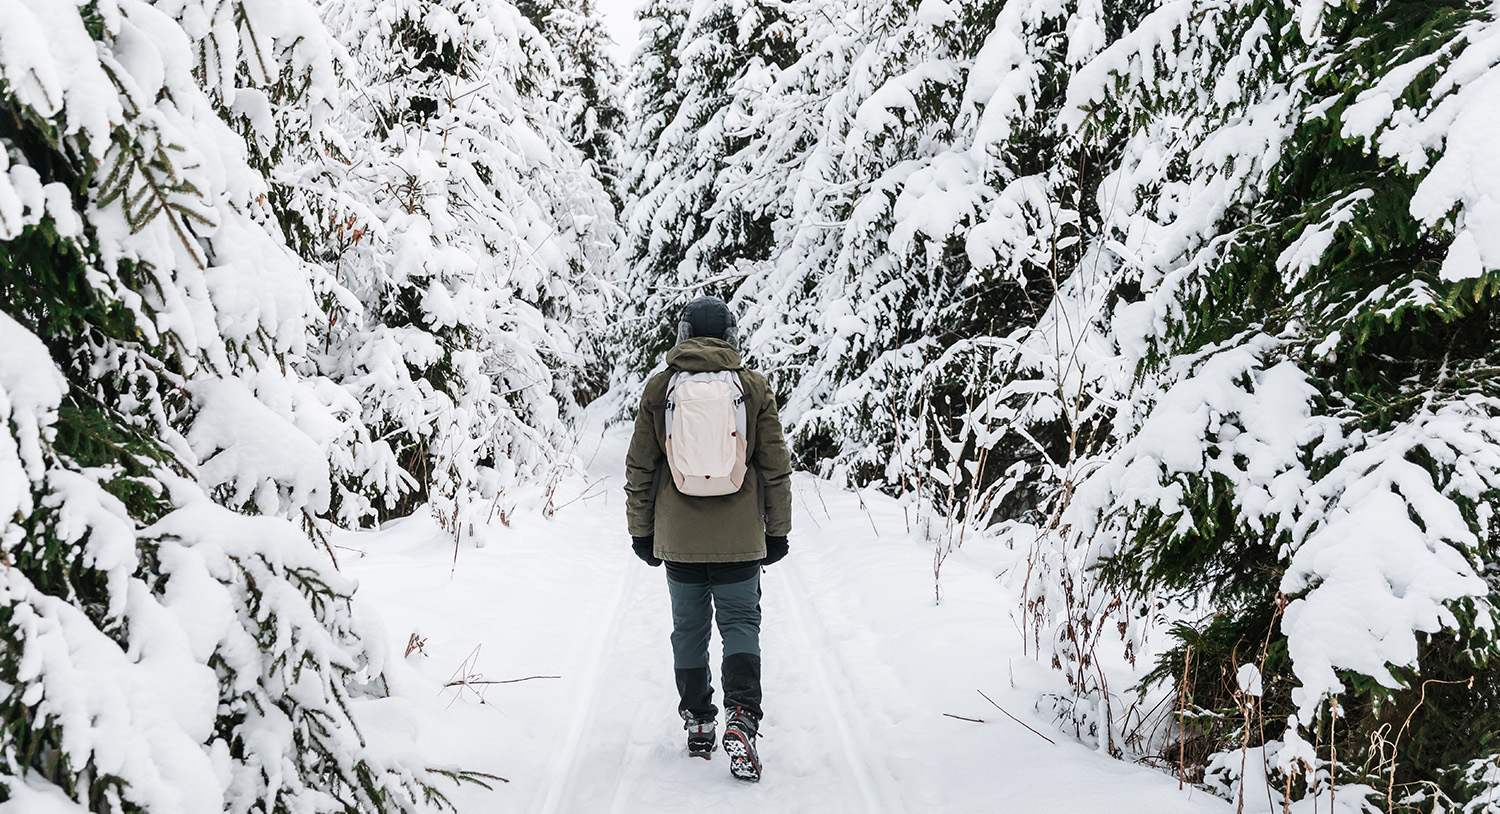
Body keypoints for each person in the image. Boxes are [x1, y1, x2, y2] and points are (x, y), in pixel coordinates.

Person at [624, 296, 793, 782]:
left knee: (689, 629)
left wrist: (642, 532)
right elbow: (775, 468)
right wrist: (777, 531)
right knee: (741, 624)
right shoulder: (753, 387)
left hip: (678, 539)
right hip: (740, 538)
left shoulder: (660, 389)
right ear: (731, 336)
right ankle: (743, 718)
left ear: (682, 334)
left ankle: (698, 722)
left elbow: (640, 468)